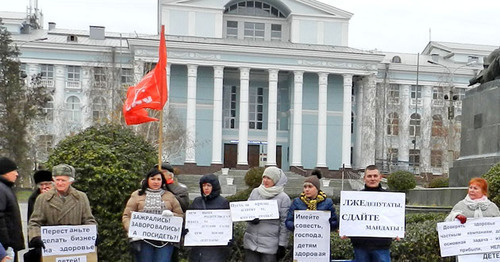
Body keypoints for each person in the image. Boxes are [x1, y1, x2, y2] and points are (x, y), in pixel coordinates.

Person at [28, 164, 97, 252]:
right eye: (57, 180)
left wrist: (92, 234)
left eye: (63, 180)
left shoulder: (81, 197)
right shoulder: (42, 199)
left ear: (71, 181)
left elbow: (89, 220)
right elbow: (34, 222)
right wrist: (36, 236)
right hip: (51, 249)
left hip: (75, 248)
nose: (60, 183)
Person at [122, 169, 184, 262]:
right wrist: (132, 229)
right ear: (147, 180)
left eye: (159, 179)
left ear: (162, 181)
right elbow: (127, 216)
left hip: (165, 241)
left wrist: (172, 215)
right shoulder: (137, 195)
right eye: (153, 179)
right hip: (143, 240)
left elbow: (180, 215)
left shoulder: (170, 196)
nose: (156, 182)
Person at [347, 165, 394, 262]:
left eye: (375, 176)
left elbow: (397, 216)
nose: (372, 179)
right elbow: (347, 216)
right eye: (369, 176)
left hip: (382, 245)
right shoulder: (355, 197)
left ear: (380, 177)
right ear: (364, 178)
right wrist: (344, 229)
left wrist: (401, 230)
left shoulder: (390, 197)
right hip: (360, 245)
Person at [244, 166, 291, 262]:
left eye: (269, 178)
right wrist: (250, 218)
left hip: (270, 246)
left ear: (276, 180)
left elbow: (284, 223)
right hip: (251, 243)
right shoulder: (256, 192)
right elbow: (246, 210)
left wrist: (282, 245)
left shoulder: (283, 198)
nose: (265, 180)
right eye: (264, 177)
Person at [187, 173, 231, 262]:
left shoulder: (223, 202)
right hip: (198, 246)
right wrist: (186, 230)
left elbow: (228, 223)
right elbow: (189, 220)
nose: (206, 188)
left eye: (209, 185)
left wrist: (229, 237)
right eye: (203, 185)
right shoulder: (197, 201)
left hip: (216, 247)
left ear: (214, 186)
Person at [0, 157, 25, 262]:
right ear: (5, 172)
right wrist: (5, 246)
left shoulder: (6, 188)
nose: (16, 174)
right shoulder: (1, 189)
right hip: (5, 249)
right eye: (14, 171)